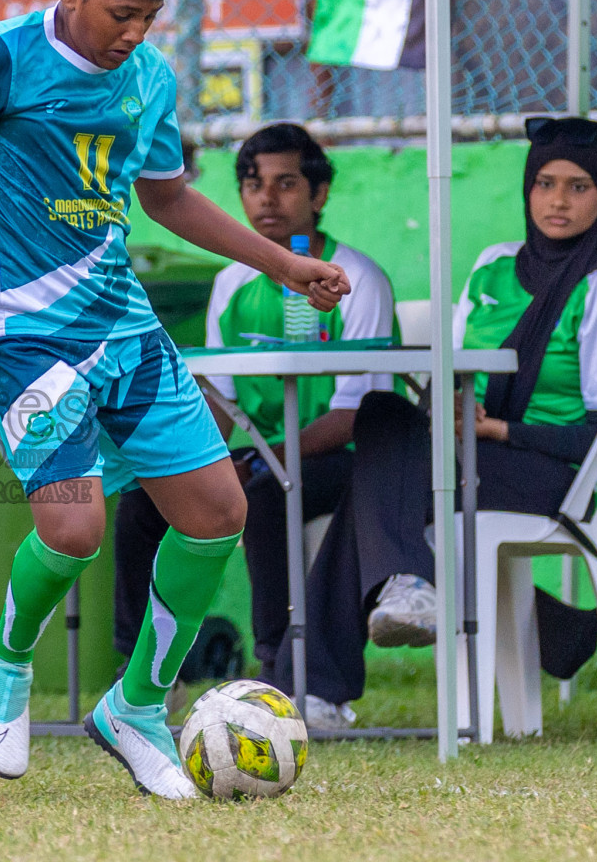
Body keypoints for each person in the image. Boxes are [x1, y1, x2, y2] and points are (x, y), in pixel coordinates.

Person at [0, 0, 349, 799]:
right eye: (118, 16)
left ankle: (135, 708)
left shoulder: (148, 79)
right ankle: (5, 657)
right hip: (21, 330)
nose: (131, 35)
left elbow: (169, 198)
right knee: (74, 528)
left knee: (216, 510)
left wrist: (285, 263)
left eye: (148, 18)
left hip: (124, 326)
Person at [275, 116, 597, 719]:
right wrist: (449, 413)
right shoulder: (493, 267)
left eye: (579, 186)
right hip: (468, 455)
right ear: (527, 187)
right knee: (381, 416)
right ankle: (484, 608)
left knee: (374, 470)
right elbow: (444, 375)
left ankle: (320, 686)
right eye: (545, 183)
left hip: (549, 475)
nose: (558, 200)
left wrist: (495, 430)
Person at [112, 122, 397, 729]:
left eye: (285, 183)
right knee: (142, 500)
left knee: (264, 496)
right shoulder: (232, 283)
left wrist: (262, 457)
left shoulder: (357, 279)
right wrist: (173, 458)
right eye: (251, 184)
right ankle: (147, 681)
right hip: (261, 454)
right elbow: (219, 403)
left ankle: (280, 678)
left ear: (319, 194)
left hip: (338, 460)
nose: (266, 198)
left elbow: (352, 417)